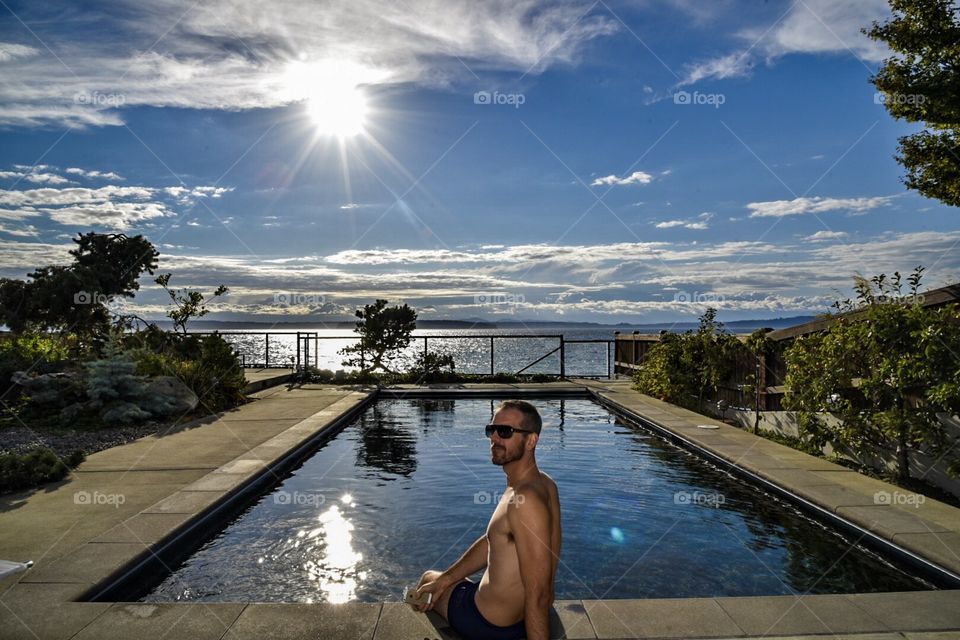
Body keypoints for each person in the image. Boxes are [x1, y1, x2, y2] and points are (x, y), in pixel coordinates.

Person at [415, 399, 561, 640]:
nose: (494, 438)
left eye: (505, 432)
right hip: (517, 616)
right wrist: (448, 578)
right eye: (491, 430)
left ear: (531, 440)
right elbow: (495, 540)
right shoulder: (545, 484)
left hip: (492, 625)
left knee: (428, 578)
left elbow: (539, 593)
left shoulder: (525, 500)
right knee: (442, 580)